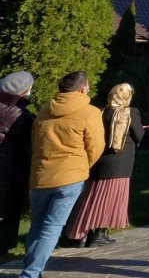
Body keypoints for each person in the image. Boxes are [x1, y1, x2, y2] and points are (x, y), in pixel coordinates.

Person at [19, 70, 104, 278]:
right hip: (70, 176)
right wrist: (82, 166)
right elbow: (96, 146)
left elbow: (35, 142)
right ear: (83, 88)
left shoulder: (45, 110)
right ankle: (30, 273)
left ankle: (32, 270)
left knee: (36, 226)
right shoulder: (90, 111)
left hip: (41, 175)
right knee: (52, 227)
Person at [63, 83, 144, 248]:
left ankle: (80, 235)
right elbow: (139, 134)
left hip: (98, 160)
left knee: (91, 198)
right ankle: (98, 234)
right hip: (119, 162)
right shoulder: (130, 112)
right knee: (110, 199)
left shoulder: (99, 112)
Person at [0, 71, 35, 256]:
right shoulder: (17, 114)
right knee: (9, 208)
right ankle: (4, 247)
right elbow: (33, 136)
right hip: (10, 165)